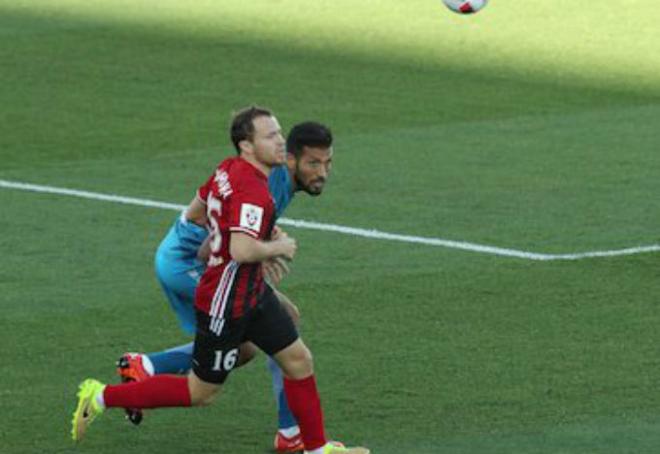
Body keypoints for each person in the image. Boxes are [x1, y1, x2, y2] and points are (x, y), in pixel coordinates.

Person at [71, 106, 369, 454]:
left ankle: (313, 447)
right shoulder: (256, 190)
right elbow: (234, 250)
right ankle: (102, 395)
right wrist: (276, 245)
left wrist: (252, 235)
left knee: (297, 356)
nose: (280, 141)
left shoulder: (230, 170)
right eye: (271, 135)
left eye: (279, 133)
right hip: (223, 296)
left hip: (247, 289)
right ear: (247, 144)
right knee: (202, 391)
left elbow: (196, 212)